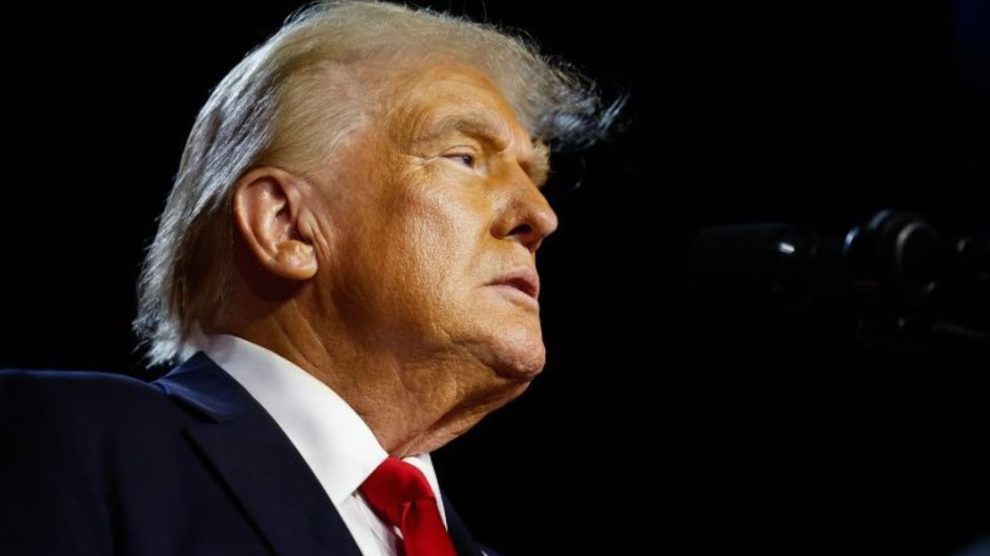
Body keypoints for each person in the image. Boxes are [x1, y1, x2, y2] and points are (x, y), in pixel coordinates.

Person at [0, 1, 620, 554]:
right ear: (286, 225)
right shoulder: (63, 442)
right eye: (464, 157)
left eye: (533, 178)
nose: (540, 216)